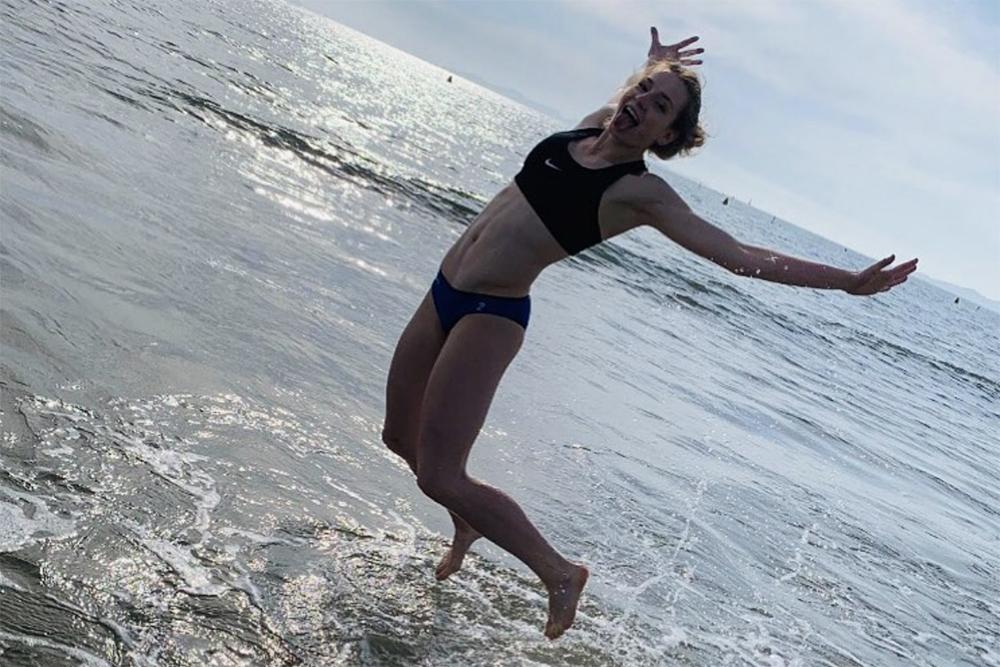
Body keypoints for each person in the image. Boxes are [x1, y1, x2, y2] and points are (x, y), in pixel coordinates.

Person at [381, 27, 918, 640]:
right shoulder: (585, 130)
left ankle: (559, 572)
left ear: (667, 136)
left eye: (660, 106)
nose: (640, 103)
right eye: (642, 91)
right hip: (442, 291)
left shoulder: (639, 194)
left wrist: (846, 281)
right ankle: (469, 518)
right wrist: (654, 67)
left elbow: (739, 255)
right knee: (398, 436)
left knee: (441, 474)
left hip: (490, 313)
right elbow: (626, 98)